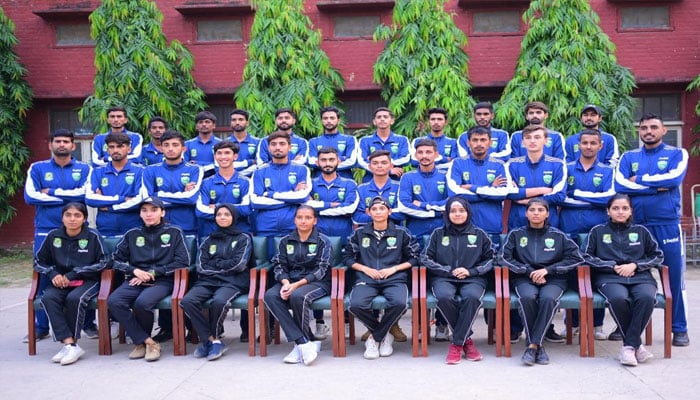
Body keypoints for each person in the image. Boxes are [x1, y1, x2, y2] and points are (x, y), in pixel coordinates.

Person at [615, 113, 689, 347]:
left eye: (653, 127)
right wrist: (657, 187)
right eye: (644, 127)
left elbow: (674, 178)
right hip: (635, 226)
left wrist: (641, 181)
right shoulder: (629, 157)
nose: (648, 131)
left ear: (663, 130)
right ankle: (625, 326)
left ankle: (679, 328)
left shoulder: (677, 154)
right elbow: (620, 184)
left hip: (666, 225)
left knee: (673, 278)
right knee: (630, 277)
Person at [24, 128, 91, 342]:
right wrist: (69, 197)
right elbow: (30, 196)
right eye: (57, 141)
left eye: (66, 141)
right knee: (45, 276)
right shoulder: (38, 168)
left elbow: (85, 195)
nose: (62, 144)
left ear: (73, 146)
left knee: (84, 274)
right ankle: (41, 326)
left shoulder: (85, 168)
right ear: (50, 145)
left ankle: (89, 324)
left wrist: (51, 192)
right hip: (47, 230)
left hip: (79, 230)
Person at [499, 198, 584, 366]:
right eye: (532, 210)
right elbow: (502, 258)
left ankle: (532, 346)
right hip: (524, 278)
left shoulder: (558, 236)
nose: (536, 213)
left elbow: (577, 258)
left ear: (547, 214)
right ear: (526, 213)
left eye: (540, 210)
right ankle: (538, 347)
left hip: (553, 279)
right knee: (528, 298)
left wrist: (548, 270)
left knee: (547, 299)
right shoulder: (516, 235)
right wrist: (529, 271)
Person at [582, 194, 664, 366]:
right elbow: (585, 256)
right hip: (609, 276)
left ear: (631, 211)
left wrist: (635, 265)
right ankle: (636, 346)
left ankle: (628, 347)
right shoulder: (597, 231)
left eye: (624, 208)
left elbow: (657, 256)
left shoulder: (641, 231)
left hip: (640, 276)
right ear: (608, 211)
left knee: (646, 298)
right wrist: (612, 266)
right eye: (615, 208)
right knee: (618, 298)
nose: (620, 212)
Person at [107, 197, 190, 361]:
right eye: (144, 211)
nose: (149, 214)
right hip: (136, 278)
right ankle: (146, 342)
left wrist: (153, 273)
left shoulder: (174, 232)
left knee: (143, 303)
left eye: (153, 210)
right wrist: (134, 270)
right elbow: (113, 260)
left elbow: (183, 261)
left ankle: (142, 343)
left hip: (163, 280)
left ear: (162, 212)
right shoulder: (132, 234)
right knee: (114, 301)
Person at [344, 196, 420, 360]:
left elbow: (414, 258)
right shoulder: (359, 233)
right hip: (367, 278)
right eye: (374, 209)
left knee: (400, 303)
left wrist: (394, 269)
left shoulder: (401, 233)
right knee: (356, 305)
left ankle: (375, 336)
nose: (378, 212)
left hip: (394, 278)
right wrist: (365, 269)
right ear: (368, 212)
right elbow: (348, 258)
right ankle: (384, 334)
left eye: (382, 208)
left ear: (389, 211)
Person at [420, 197, 494, 364]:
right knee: (444, 297)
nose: (457, 214)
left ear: (468, 212)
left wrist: (471, 271)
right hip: (444, 277)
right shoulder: (438, 234)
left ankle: (456, 344)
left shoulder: (479, 234)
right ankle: (466, 341)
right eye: (453, 211)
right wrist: (448, 271)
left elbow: (491, 259)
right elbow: (425, 257)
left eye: (461, 210)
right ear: (447, 213)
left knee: (472, 298)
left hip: (473, 278)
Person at [34, 202, 107, 365]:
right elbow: (38, 261)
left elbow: (104, 262)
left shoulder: (93, 236)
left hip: (87, 280)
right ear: (62, 218)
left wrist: (74, 274)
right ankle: (70, 344)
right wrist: (53, 273)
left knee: (74, 299)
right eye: (68, 215)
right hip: (61, 282)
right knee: (48, 298)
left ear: (85, 218)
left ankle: (70, 345)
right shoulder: (53, 236)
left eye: (77, 215)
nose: (72, 219)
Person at [559, 128, 616, 339]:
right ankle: (572, 323)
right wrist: (594, 198)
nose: (588, 147)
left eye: (593, 143)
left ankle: (596, 325)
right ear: (578, 145)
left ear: (600, 146)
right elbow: (560, 197)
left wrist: (579, 195)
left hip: (597, 230)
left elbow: (609, 199)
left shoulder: (607, 171)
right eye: (585, 143)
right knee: (571, 274)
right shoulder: (566, 169)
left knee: (596, 274)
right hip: (569, 228)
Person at [180, 204, 254, 361]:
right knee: (187, 300)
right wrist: (224, 265)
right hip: (208, 281)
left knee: (219, 301)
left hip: (233, 282)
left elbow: (239, 265)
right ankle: (212, 340)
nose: (222, 217)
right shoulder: (208, 239)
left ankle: (211, 341)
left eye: (226, 214)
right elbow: (201, 266)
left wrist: (216, 264)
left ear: (234, 217)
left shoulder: (243, 238)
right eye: (219, 214)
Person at [263, 206, 333, 365]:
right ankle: (303, 342)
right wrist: (286, 283)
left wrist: (295, 286)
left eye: (308, 217)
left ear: (314, 221)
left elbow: (322, 269)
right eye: (300, 217)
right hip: (290, 280)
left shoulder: (323, 241)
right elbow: (280, 265)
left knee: (298, 296)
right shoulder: (285, 241)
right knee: (270, 296)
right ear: (294, 220)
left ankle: (300, 344)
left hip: (317, 282)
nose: (303, 221)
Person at [305, 147, 359, 338]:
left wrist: (320, 208)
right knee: (316, 274)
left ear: (338, 161)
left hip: (343, 234)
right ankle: (319, 322)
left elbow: (350, 208)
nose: (327, 163)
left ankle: (345, 320)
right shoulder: (309, 183)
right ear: (317, 162)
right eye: (323, 160)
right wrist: (332, 206)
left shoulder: (349, 184)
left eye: (331, 159)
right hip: (316, 235)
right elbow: (305, 205)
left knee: (343, 276)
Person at [250, 130, 312, 242]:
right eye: (273, 144)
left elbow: (302, 197)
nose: (277, 147)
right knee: (266, 260)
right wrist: (292, 196)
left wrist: (270, 194)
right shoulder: (259, 171)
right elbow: (255, 201)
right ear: (268, 148)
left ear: (289, 147)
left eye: (282, 144)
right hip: (265, 227)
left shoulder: (301, 169)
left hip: (292, 227)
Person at [141, 130, 203, 237]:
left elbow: (191, 198)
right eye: (166, 145)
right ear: (161, 148)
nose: (170, 149)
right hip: (158, 225)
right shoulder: (149, 170)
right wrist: (182, 197)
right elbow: (148, 199)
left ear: (183, 148)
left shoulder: (195, 169)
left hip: (186, 225)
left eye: (175, 145)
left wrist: (157, 194)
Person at [506, 124, 566, 231]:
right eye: (528, 138)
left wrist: (524, 200)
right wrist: (542, 190)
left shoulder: (558, 165)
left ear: (546, 141)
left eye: (537, 137)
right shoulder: (511, 164)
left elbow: (559, 196)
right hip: (518, 220)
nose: (532, 141)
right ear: (523, 142)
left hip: (549, 221)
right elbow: (509, 193)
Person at [85, 132, 144, 236]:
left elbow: (139, 200)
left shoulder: (141, 171)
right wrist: (122, 199)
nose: (115, 150)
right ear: (107, 150)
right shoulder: (97, 172)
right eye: (111, 147)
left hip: (134, 225)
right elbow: (90, 199)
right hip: (105, 226)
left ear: (129, 149)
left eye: (120, 146)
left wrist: (109, 207)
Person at [196, 140, 252, 238]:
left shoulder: (246, 182)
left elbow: (246, 209)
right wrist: (234, 209)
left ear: (235, 156)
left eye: (227, 153)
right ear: (215, 157)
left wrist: (217, 206)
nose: (223, 157)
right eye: (219, 153)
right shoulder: (205, 183)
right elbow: (200, 211)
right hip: (212, 233)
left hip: (239, 233)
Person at [398, 139, 448, 238]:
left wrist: (422, 204)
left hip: (443, 230)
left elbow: (450, 203)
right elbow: (404, 206)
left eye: (428, 152)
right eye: (420, 152)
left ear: (436, 154)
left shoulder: (446, 175)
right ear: (416, 155)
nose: (424, 156)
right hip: (416, 232)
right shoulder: (407, 177)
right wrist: (434, 213)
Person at [352, 150, 404, 227]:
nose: (379, 166)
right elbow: (357, 218)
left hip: (395, 233)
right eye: (375, 163)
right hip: (367, 235)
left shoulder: (400, 187)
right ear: (369, 167)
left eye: (384, 163)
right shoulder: (361, 189)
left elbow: (402, 214)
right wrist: (390, 211)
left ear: (391, 166)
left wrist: (371, 212)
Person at [357, 107, 411, 182]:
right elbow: (361, 161)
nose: (382, 119)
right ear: (374, 122)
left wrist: (380, 164)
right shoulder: (365, 141)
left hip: (395, 180)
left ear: (392, 121)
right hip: (370, 181)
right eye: (379, 117)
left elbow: (406, 158)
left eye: (385, 117)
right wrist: (389, 170)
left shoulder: (402, 140)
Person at [308, 106, 358, 179]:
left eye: (332, 118)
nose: (328, 121)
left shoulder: (350, 139)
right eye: (325, 118)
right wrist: (343, 158)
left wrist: (322, 161)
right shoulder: (313, 141)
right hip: (318, 182)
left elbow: (352, 161)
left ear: (338, 120)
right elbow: (311, 162)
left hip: (344, 182)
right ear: (321, 120)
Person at [409, 107, 459, 172]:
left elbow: (454, 164)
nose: (436, 122)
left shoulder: (453, 142)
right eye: (433, 119)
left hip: (445, 179)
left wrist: (425, 161)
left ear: (446, 122)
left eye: (439, 119)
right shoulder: (417, 141)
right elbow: (414, 162)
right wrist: (444, 159)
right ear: (428, 121)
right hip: (422, 180)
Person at [184, 111, 221, 178]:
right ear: (196, 126)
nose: (204, 124)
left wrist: (198, 163)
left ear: (214, 125)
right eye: (200, 122)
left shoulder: (221, 144)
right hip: (194, 180)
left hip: (216, 180)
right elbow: (185, 165)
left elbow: (222, 164)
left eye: (207, 122)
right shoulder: (187, 144)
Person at [228, 109, 260, 177]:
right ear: (231, 123)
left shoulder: (258, 142)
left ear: (247, 123)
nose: (237, 122)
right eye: (234, 120)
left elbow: (259, 164)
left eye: (241, 119)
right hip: (229, 181)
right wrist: (249, 162)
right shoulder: (224, 143)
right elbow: (223, 165)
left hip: (252, 180)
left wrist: (240, 175)